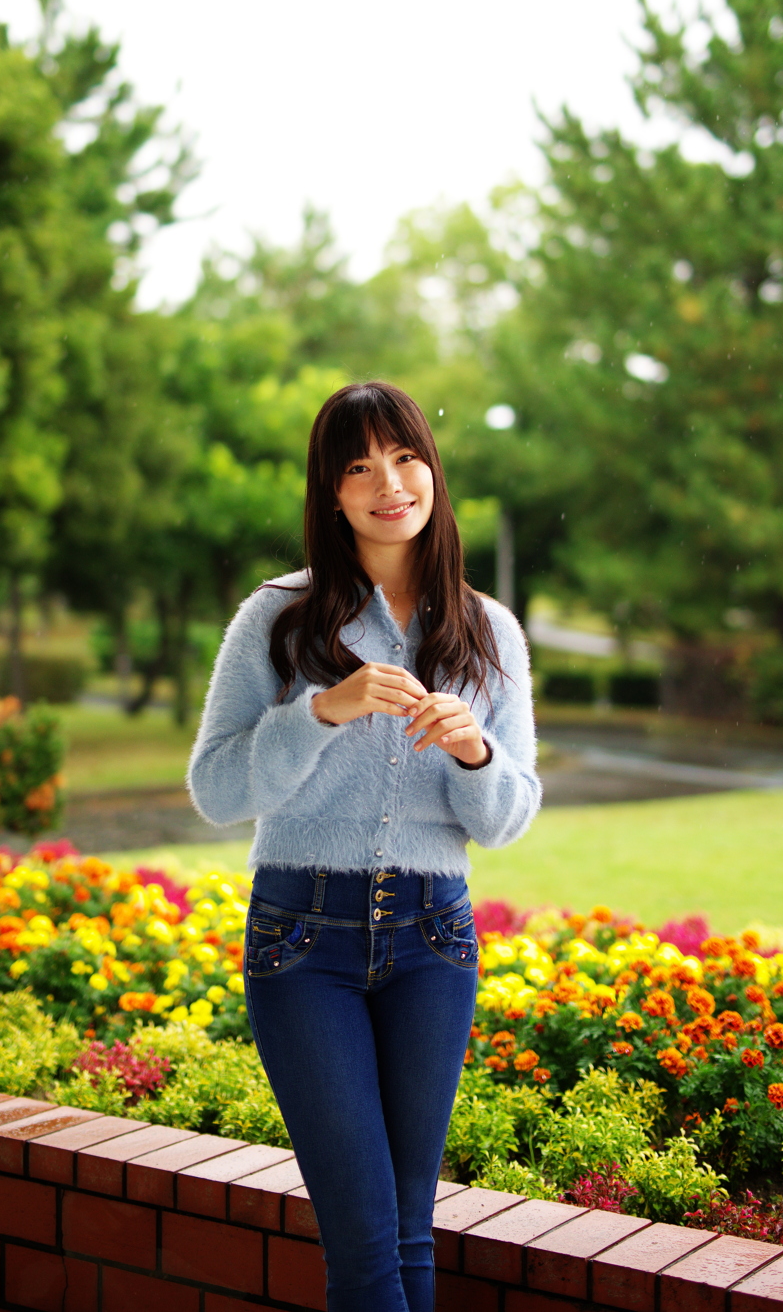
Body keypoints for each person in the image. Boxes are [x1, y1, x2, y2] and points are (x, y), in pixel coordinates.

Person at [188, 381, 541, 1312]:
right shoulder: (278, 617)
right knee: (365, 1244)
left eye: (405, 457)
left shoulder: (488, 630)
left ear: (432, 469)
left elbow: (506, 818)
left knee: (410, 1230)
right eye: (359, 466)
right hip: (304, 942)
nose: (389, 483)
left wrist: (475, 751)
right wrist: (320, 711)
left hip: (434, 940)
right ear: (332, 493)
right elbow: (215, 788)